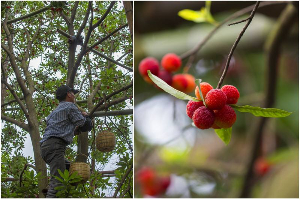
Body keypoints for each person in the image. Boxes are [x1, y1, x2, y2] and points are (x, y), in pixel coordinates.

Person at [40, 85, 93, 198]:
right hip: (55, 147)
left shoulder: (54, 113)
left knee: (70, 171)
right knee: (58, 180)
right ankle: (51, 193)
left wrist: (74, 130)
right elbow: (85, 125)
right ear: (69, 94)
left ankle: (48, 191)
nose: (74, 96)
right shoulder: (70, 107)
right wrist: (87, 117)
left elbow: (60, 128)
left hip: (46, 148)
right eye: (73, 93)